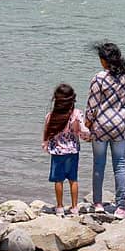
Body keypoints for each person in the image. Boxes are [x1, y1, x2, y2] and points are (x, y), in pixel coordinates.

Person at [85, 42, 125, 218]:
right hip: (120, 126)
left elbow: (92, 106)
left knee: (98, 164)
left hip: (101, 126)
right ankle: (121, 206)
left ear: (104, 61)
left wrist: (87, 125)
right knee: (120, 165)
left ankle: (98, 203)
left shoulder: (99, 78)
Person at [42, 84, 90, 216]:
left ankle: (59, 207)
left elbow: (47, 133)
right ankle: (74, 208)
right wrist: (88, 137)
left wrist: (46, 145)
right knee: (73, 179)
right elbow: (83, 131)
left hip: (57, 152)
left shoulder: (51, 116)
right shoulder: (76, 114)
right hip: (73, 151)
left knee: (58, 180)